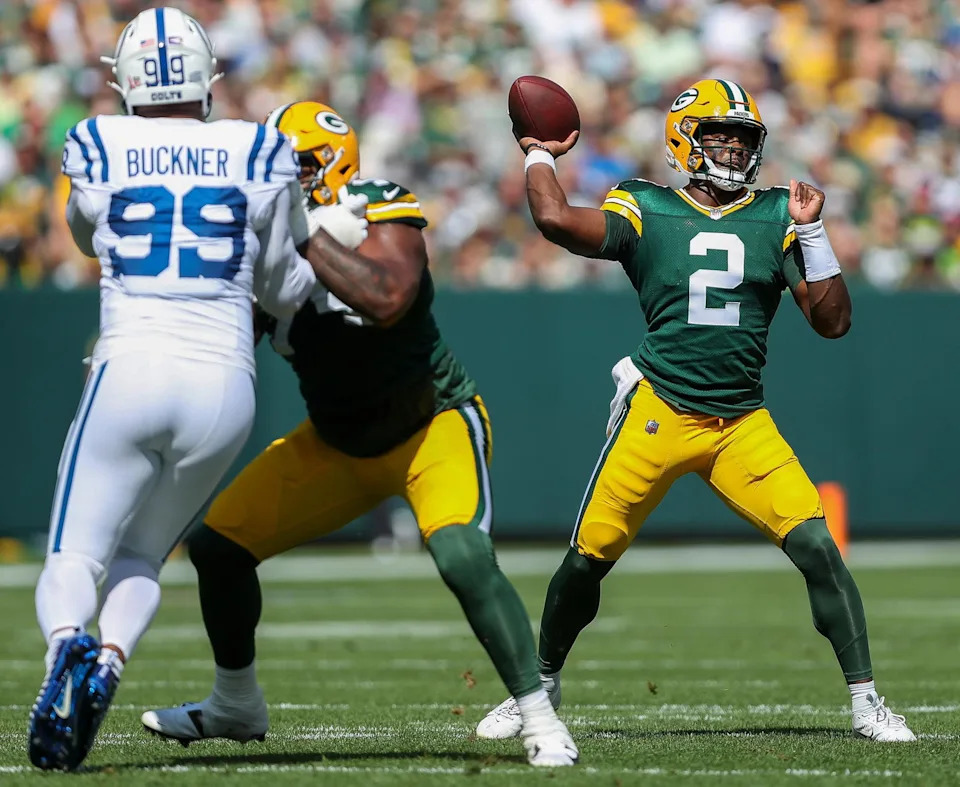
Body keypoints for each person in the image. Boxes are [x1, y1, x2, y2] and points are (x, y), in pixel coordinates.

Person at [475, 78, 916, 743]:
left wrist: (814, 231)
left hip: (741, 420)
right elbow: (558, 221)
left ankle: (866, 701)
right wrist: (539, 153)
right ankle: (538, 685)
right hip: (660, 409)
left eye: (743, 139)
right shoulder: (646, 205)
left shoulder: (776, 214)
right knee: (585, 559)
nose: (734, 150)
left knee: (819, 547)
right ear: (685, 139)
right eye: (720, 136)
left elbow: (833, 322)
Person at [140, 101, 579, 768]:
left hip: (431, 424)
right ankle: (235, 702)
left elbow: (388, 296)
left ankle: (540, 715)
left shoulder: (378, 203)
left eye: (296, 167)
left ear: (334, 163)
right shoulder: (257, 242)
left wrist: (304, 235)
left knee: (462, 554)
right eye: (272, 169)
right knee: (219, 548)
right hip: (337, 441)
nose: (281, 179)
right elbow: (227, 343)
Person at [27, 10, 367, 772]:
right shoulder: (257, 146)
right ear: (207, 76)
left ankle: (67, 648)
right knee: (143, 555)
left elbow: (85, 233)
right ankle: (110, 657)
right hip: (223, 387)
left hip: (131, 366)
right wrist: (331, 233)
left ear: (125, 80)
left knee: (74, 553)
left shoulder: (97, 141)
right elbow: (283, 286)